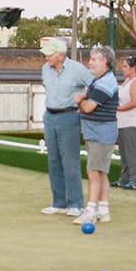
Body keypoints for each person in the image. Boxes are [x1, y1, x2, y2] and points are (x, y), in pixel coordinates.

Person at [40, 38, 93, 216]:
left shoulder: (77, 69)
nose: (46, 57)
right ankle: (59, 202)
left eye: (49, 54)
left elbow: (94, 85)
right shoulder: (45, 69)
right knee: (53, 160)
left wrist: (83, 100)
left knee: (70, 161)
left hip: (69, 116)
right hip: (50, 116)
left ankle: (75, 204)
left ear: (60, 55)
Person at [72, 45, 120, 224]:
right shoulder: (98, 81)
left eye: (94, 59)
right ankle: (103, 209)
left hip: (101, 132)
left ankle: (91, 210)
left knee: (93, 171)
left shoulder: (104, 83)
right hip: (97, 131)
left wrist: (80, 100)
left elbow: (89, 107)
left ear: (104, 62)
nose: (89, 63)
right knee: (100, 172)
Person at [114, 55, 136, 189]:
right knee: (124, 153)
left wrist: (118, 108)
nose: (122, 69)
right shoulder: (127, 81)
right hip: (123, 122)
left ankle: (135, 180)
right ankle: (124, 179)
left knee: (133, 153)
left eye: (125, 66)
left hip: (133, 122)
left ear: (133, 68)